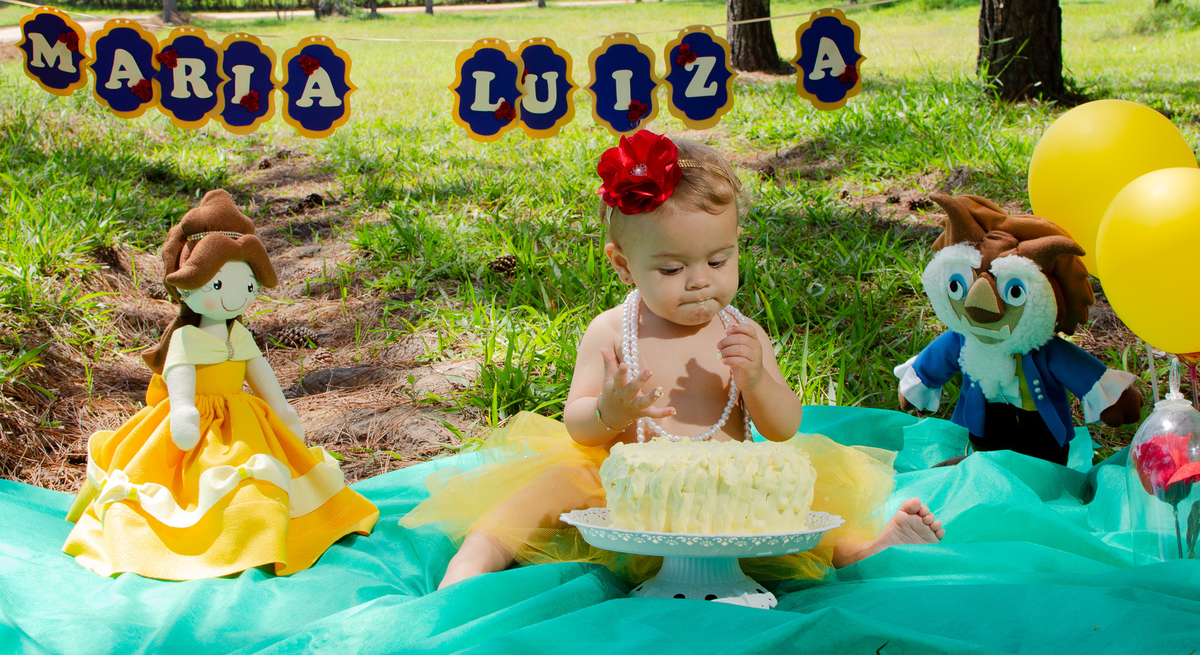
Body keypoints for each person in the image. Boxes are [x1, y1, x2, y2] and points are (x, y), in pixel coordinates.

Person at [403, 131, 943, 589]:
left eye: (717, 259)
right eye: (671, 269)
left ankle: (860, 548)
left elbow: (783, 427)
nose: (699, 280)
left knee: (803, 495)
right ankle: (476, 558)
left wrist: (756, 379)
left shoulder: (743, 334)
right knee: (553, 483)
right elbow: (578, 426)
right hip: (623, 493)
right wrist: (609, 412)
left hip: (725, 501)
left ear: (736, 246)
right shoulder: (613, 331)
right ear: (623, 264)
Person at [64, 189, 378, 580]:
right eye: (217, 285)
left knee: (257, 475)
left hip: (244, 423)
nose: (235, 297)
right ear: (186, 286)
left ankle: (258, 532)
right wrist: (182, 410)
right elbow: (179, 382)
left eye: (246, 285)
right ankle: (200, 541)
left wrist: (282, 411)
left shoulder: (240, 337)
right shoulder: (184, 339)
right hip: (193, 424)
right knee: (188, 487)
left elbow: (261, 378)